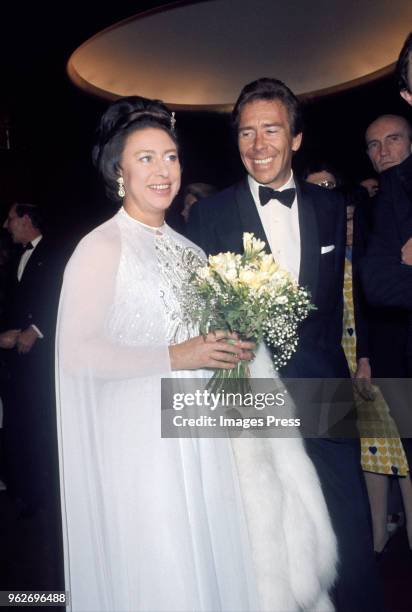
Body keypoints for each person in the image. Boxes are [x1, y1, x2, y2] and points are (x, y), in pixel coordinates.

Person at [56, 96, 337, 612]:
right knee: (162, 571)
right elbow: (77, 357)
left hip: (204, 441)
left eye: (171, 157)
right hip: (141, 449)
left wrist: (234, 346)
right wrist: (175, 356)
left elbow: (203, 344)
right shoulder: (100, 248)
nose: (163, 171)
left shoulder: (189, 251)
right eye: (146, 158)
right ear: (117, 169)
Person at [187, 77, 383, 612]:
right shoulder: (209, 215)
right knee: (267, 531)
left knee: (346, 514)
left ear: (295, 138)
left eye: (271, 130)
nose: (258, 145)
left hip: (323, 381)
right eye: (247, 133)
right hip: (251, 394)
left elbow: (350, 294)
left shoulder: (331, 204)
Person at [1, 202, 64, 589]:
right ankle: (25, 494)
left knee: (41, 426)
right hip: (15, 363)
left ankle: (46, 498)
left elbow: (60, 300)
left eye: (10, 217)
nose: (5, 224)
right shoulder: (13, 261)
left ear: (27, 218)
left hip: (43, 363)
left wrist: (34, 331)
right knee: (19, 427)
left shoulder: (56, 253)